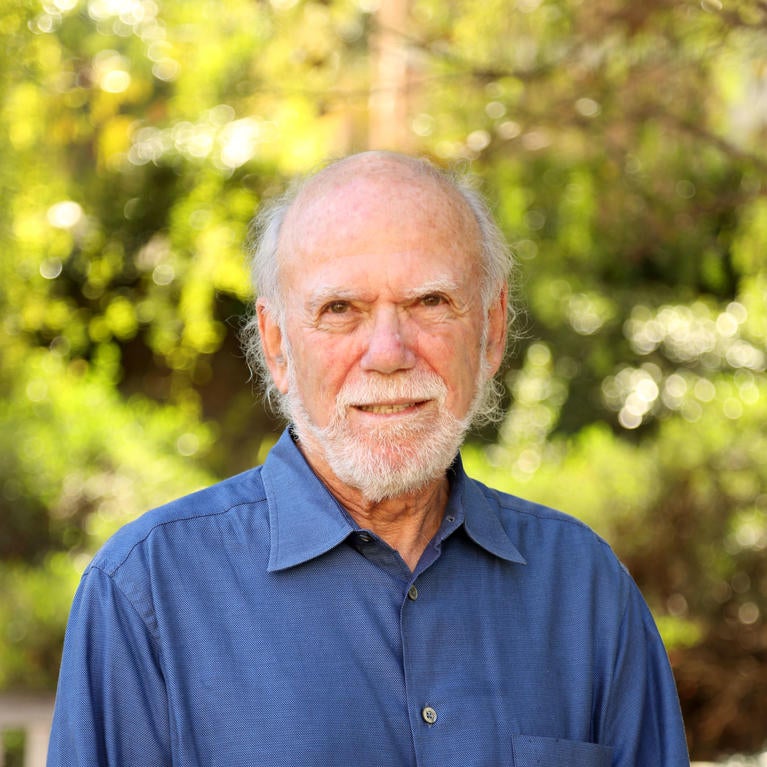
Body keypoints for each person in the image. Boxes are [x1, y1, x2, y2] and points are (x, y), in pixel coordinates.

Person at [47, 151, 690, 766]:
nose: (389, 352)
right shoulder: (145, 594)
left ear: (492, 331)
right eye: (340, 310)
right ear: (276, 345)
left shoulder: (585, 590)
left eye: (430, 302)